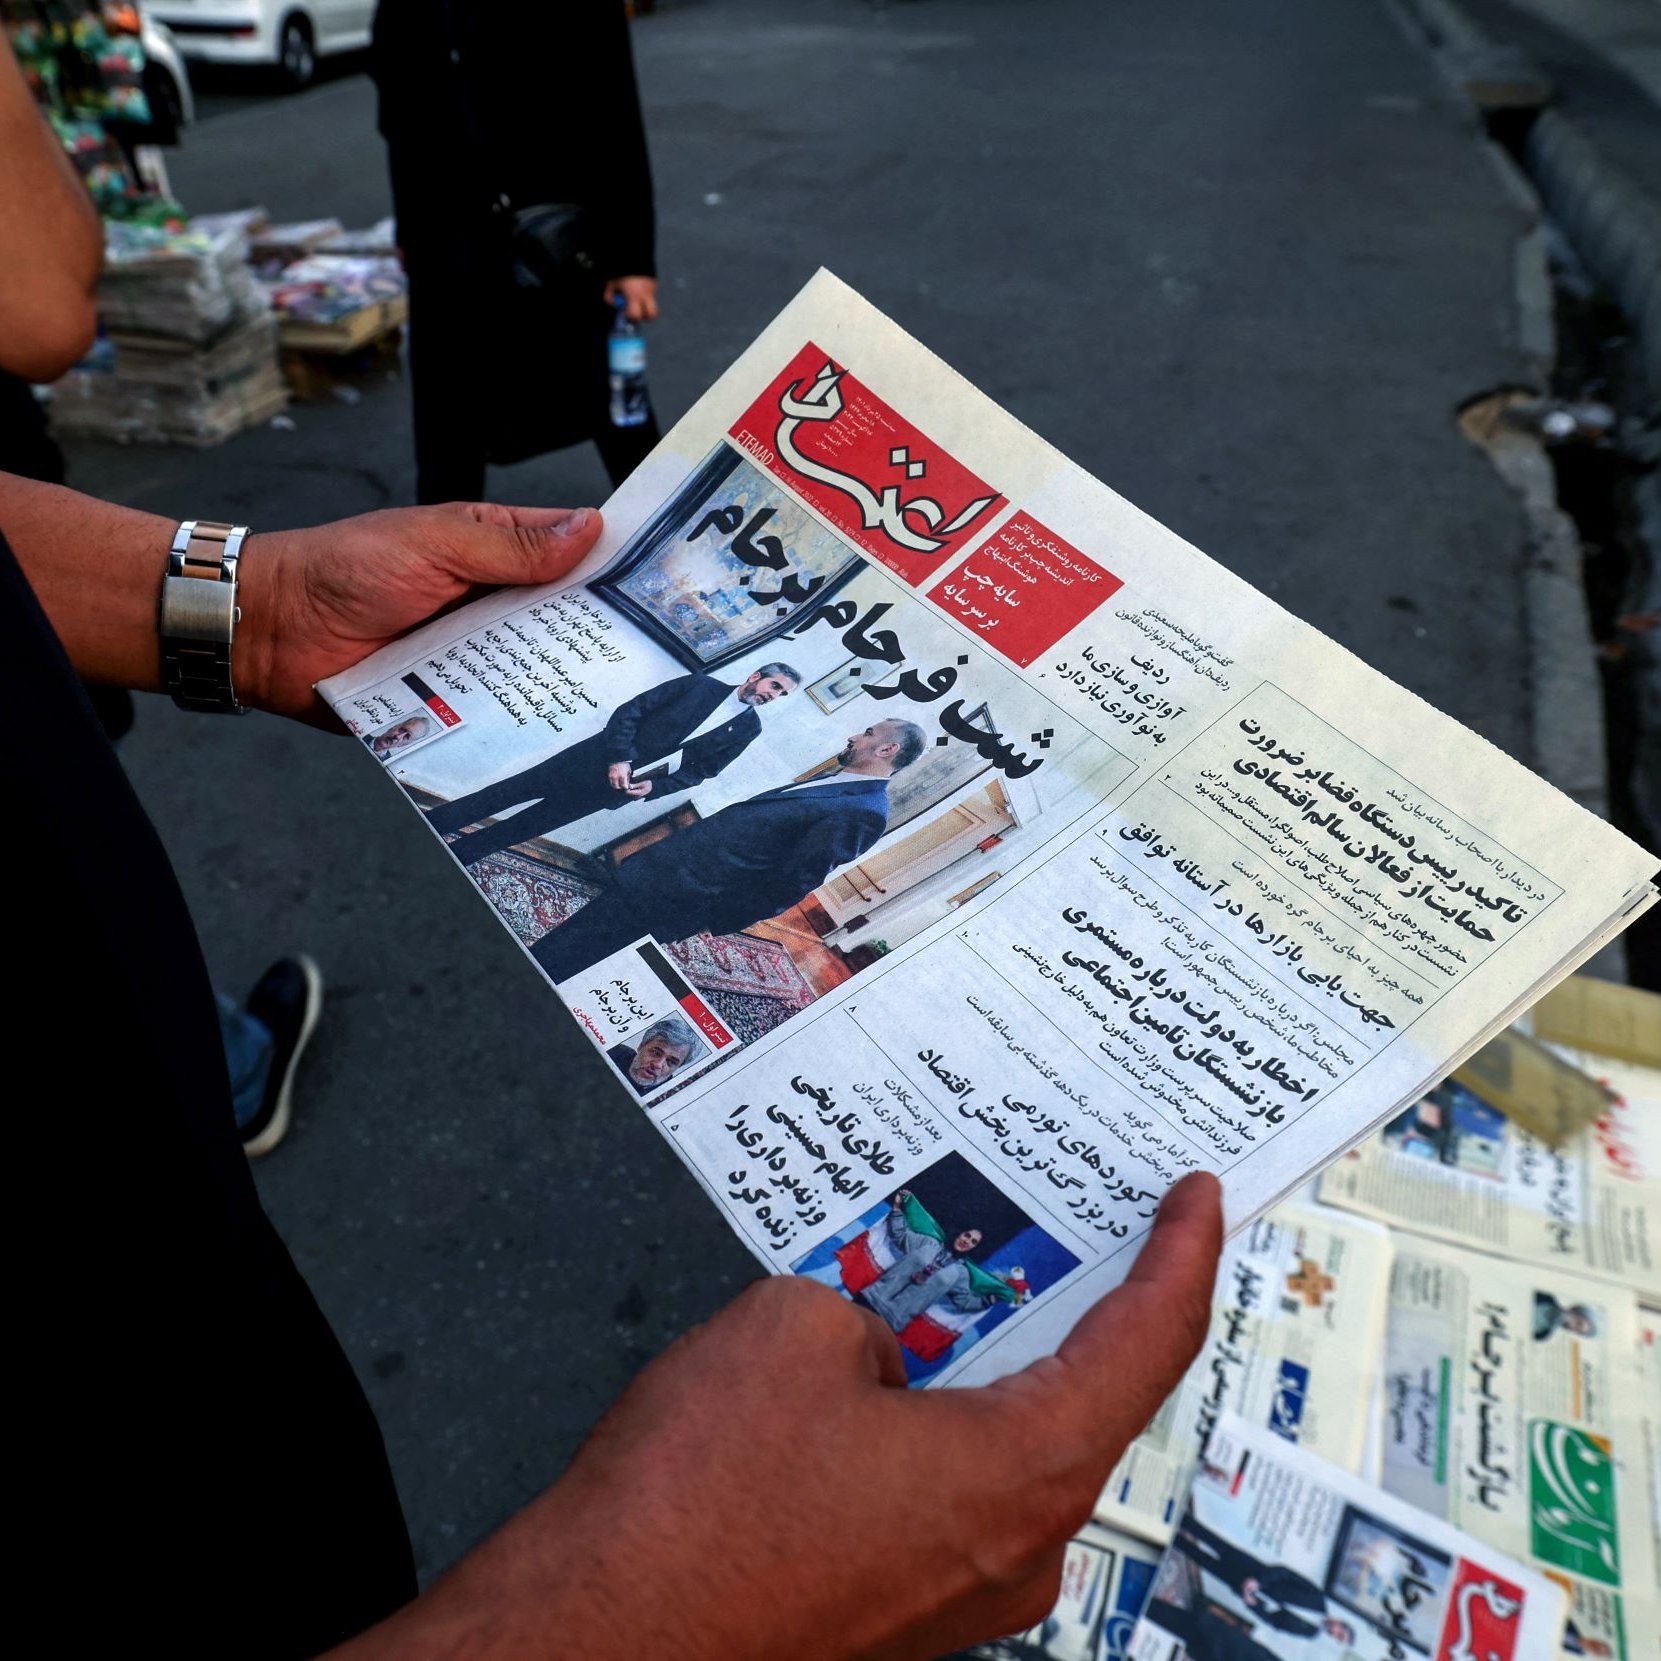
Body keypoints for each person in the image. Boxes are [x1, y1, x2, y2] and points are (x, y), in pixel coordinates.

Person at [3, 466, 1223, 1657]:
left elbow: (762, 856)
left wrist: (264, 605)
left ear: (880, 746)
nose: (838, 718)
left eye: (856, 720)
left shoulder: (845, 802)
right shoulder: (777, 742)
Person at [370, 1, 661, 505]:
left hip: (556, 238)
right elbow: (400, 115)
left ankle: (670, 524)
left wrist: (631, 257)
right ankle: (442, 548)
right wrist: (410, 226)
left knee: (611, 401)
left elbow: (614, 109)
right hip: (447, 238)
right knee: (448, 421)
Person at [531, 717, 924, 984]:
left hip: (683, 896)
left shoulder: (865, 811)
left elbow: (793, 881)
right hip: (663, 873)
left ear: (887, 749)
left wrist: (712, 917)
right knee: (575, 936)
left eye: (868, 733)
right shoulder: (836, 780)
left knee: (577, 954)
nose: (855, 736)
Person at [426, 663, 800, 867]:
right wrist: (620, 757)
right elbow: (630, 712)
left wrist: (654, 787)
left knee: (526, 827)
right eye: (774, 685)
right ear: (755, 677)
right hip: (587, 761)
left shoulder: (749, 729)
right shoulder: (699, 685)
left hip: (616, 790)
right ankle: (427, 829)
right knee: (500, 796)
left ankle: (452, 862)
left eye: (782, 694)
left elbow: (704, 771)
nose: (774, 695)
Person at [1172, 1514, 1332, 1638]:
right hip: (1254, 1572)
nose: (1334, 1635)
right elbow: (1285, 1573)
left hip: (1247, 1592)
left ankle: (1176, 1540)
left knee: (1206, 1563)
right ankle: (1182, 1520)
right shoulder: (1317, 1599)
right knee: (1217, 1544)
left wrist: (1253, 1605)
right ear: (1340, 1622)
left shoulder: (1310, 1632)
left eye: (1337, 1638)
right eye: (1340, 1634)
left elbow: (1275, 1623)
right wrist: (1258, 1581)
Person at [608, 1015, 697, 1096]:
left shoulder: (671, 1095)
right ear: (641, 1046)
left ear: (678, 1067)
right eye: (655, 1052)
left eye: (671, 1062)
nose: (658, 1065)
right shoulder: (613, 1051)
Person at [1534, 1291, 1598, 1341]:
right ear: (1574, 1310)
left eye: (1577, 1331)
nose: (1572, 1327)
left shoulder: (1543, 1335)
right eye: (1578, 1323)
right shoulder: (1546, 1296)